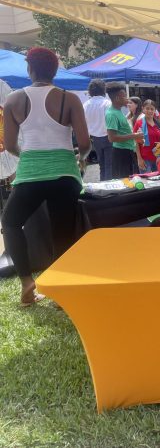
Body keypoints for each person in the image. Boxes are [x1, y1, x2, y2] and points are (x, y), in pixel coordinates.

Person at [1, 47, 90, 306]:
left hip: (30, 173)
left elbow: (10, 145)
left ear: (29, 69)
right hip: (65, 173)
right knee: (61, 230)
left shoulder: (14, 100)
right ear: (54, 71)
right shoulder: (69, 99)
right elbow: (84, 143)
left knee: (10, 222)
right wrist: (80, 157)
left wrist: (29, 155)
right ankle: (62, 287)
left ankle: (27, 281)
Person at [105, 83, 144, 178]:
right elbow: (112, 138)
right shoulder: (111, 114)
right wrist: (134, 136)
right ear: (117, 98)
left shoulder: (119, 111)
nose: (127, 99)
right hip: (121, 153)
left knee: (130, 180)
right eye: (124, 96)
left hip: (127, 151)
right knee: (124, 183)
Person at [83, 78, 112, 180]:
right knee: (109, 165)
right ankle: (108, 186)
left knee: (102, 164)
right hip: (108, 136)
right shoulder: (107, 103)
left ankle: (102, 183)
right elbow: (110, 121)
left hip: (95, 138)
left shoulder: (86, 105)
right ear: (103, 89)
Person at [133, 99, 160, 173]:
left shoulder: (159, 124)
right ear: (143, 109)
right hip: (145, 159)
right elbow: (135, 142)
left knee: (159, 181)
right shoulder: (139, 123)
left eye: (152, 109)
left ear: (155, 110)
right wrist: (139, 159)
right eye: (147, 108)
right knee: (147, 182)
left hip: (158, 158)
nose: (150, 111)